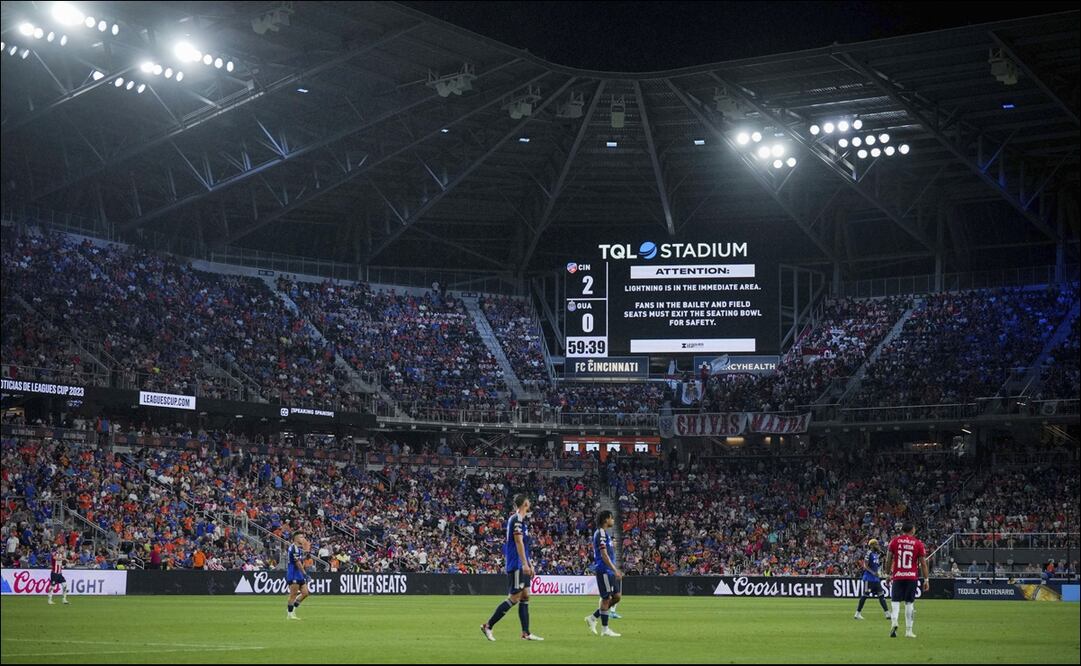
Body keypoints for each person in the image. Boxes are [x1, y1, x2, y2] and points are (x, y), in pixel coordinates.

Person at [480, 494, 543, 641]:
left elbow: (525, 545)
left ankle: (526, 633)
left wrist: (530, 563)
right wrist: (524, 564)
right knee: (514, 597)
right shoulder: (516, 519)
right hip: (516, 564)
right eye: (528, 501)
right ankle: (488, 626)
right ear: (524, 503)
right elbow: (518, 542)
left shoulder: (522, 521)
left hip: (522, 563)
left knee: (525, 595)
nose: (530, 503)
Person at [886, 523, 929, 639]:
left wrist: (887, 574)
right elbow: (923, 563)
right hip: (911, 577)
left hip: (898, 576)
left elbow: (888, 559)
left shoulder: (894, 541)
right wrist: (926, 579)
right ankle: (909, 631)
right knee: (909, 603)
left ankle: (894, 622)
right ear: (912, 529)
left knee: (895, 602)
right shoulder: (918, 543)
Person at [585, 510, 622, 637]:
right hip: (604, 570)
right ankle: (605, 629)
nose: (613, 521)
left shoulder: (605, 534)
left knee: (617, 596)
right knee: (606, 599)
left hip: (609, 571)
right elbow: (604, 555)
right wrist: (614, 569)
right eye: (611, 518)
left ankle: (593, 617)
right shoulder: (600, 533)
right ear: (606, 520)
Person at [854, 538, 890, 620]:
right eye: (876, 544)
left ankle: (887, 613)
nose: (878, 545)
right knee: (865, 595)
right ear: (872, 545)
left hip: (875, 579)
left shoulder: (876, 553)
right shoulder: (869, 553)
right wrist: (873, 572)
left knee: (881, 595)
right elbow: (865, 566)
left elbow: (880, 560)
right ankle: (857, 613)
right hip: (868, 579)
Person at [286, 532, 311, 620]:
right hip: (293, 573)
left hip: (298, 573)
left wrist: (306, 555)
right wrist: (304, 573)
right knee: (293, 594)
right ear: (296, 539)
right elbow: (297, 563)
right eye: (301, 537)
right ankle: (290, 614)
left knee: (305, 593)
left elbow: (300, 560)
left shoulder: (298, 549)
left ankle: (293, 609)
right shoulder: (293, 548)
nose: (303, 538)